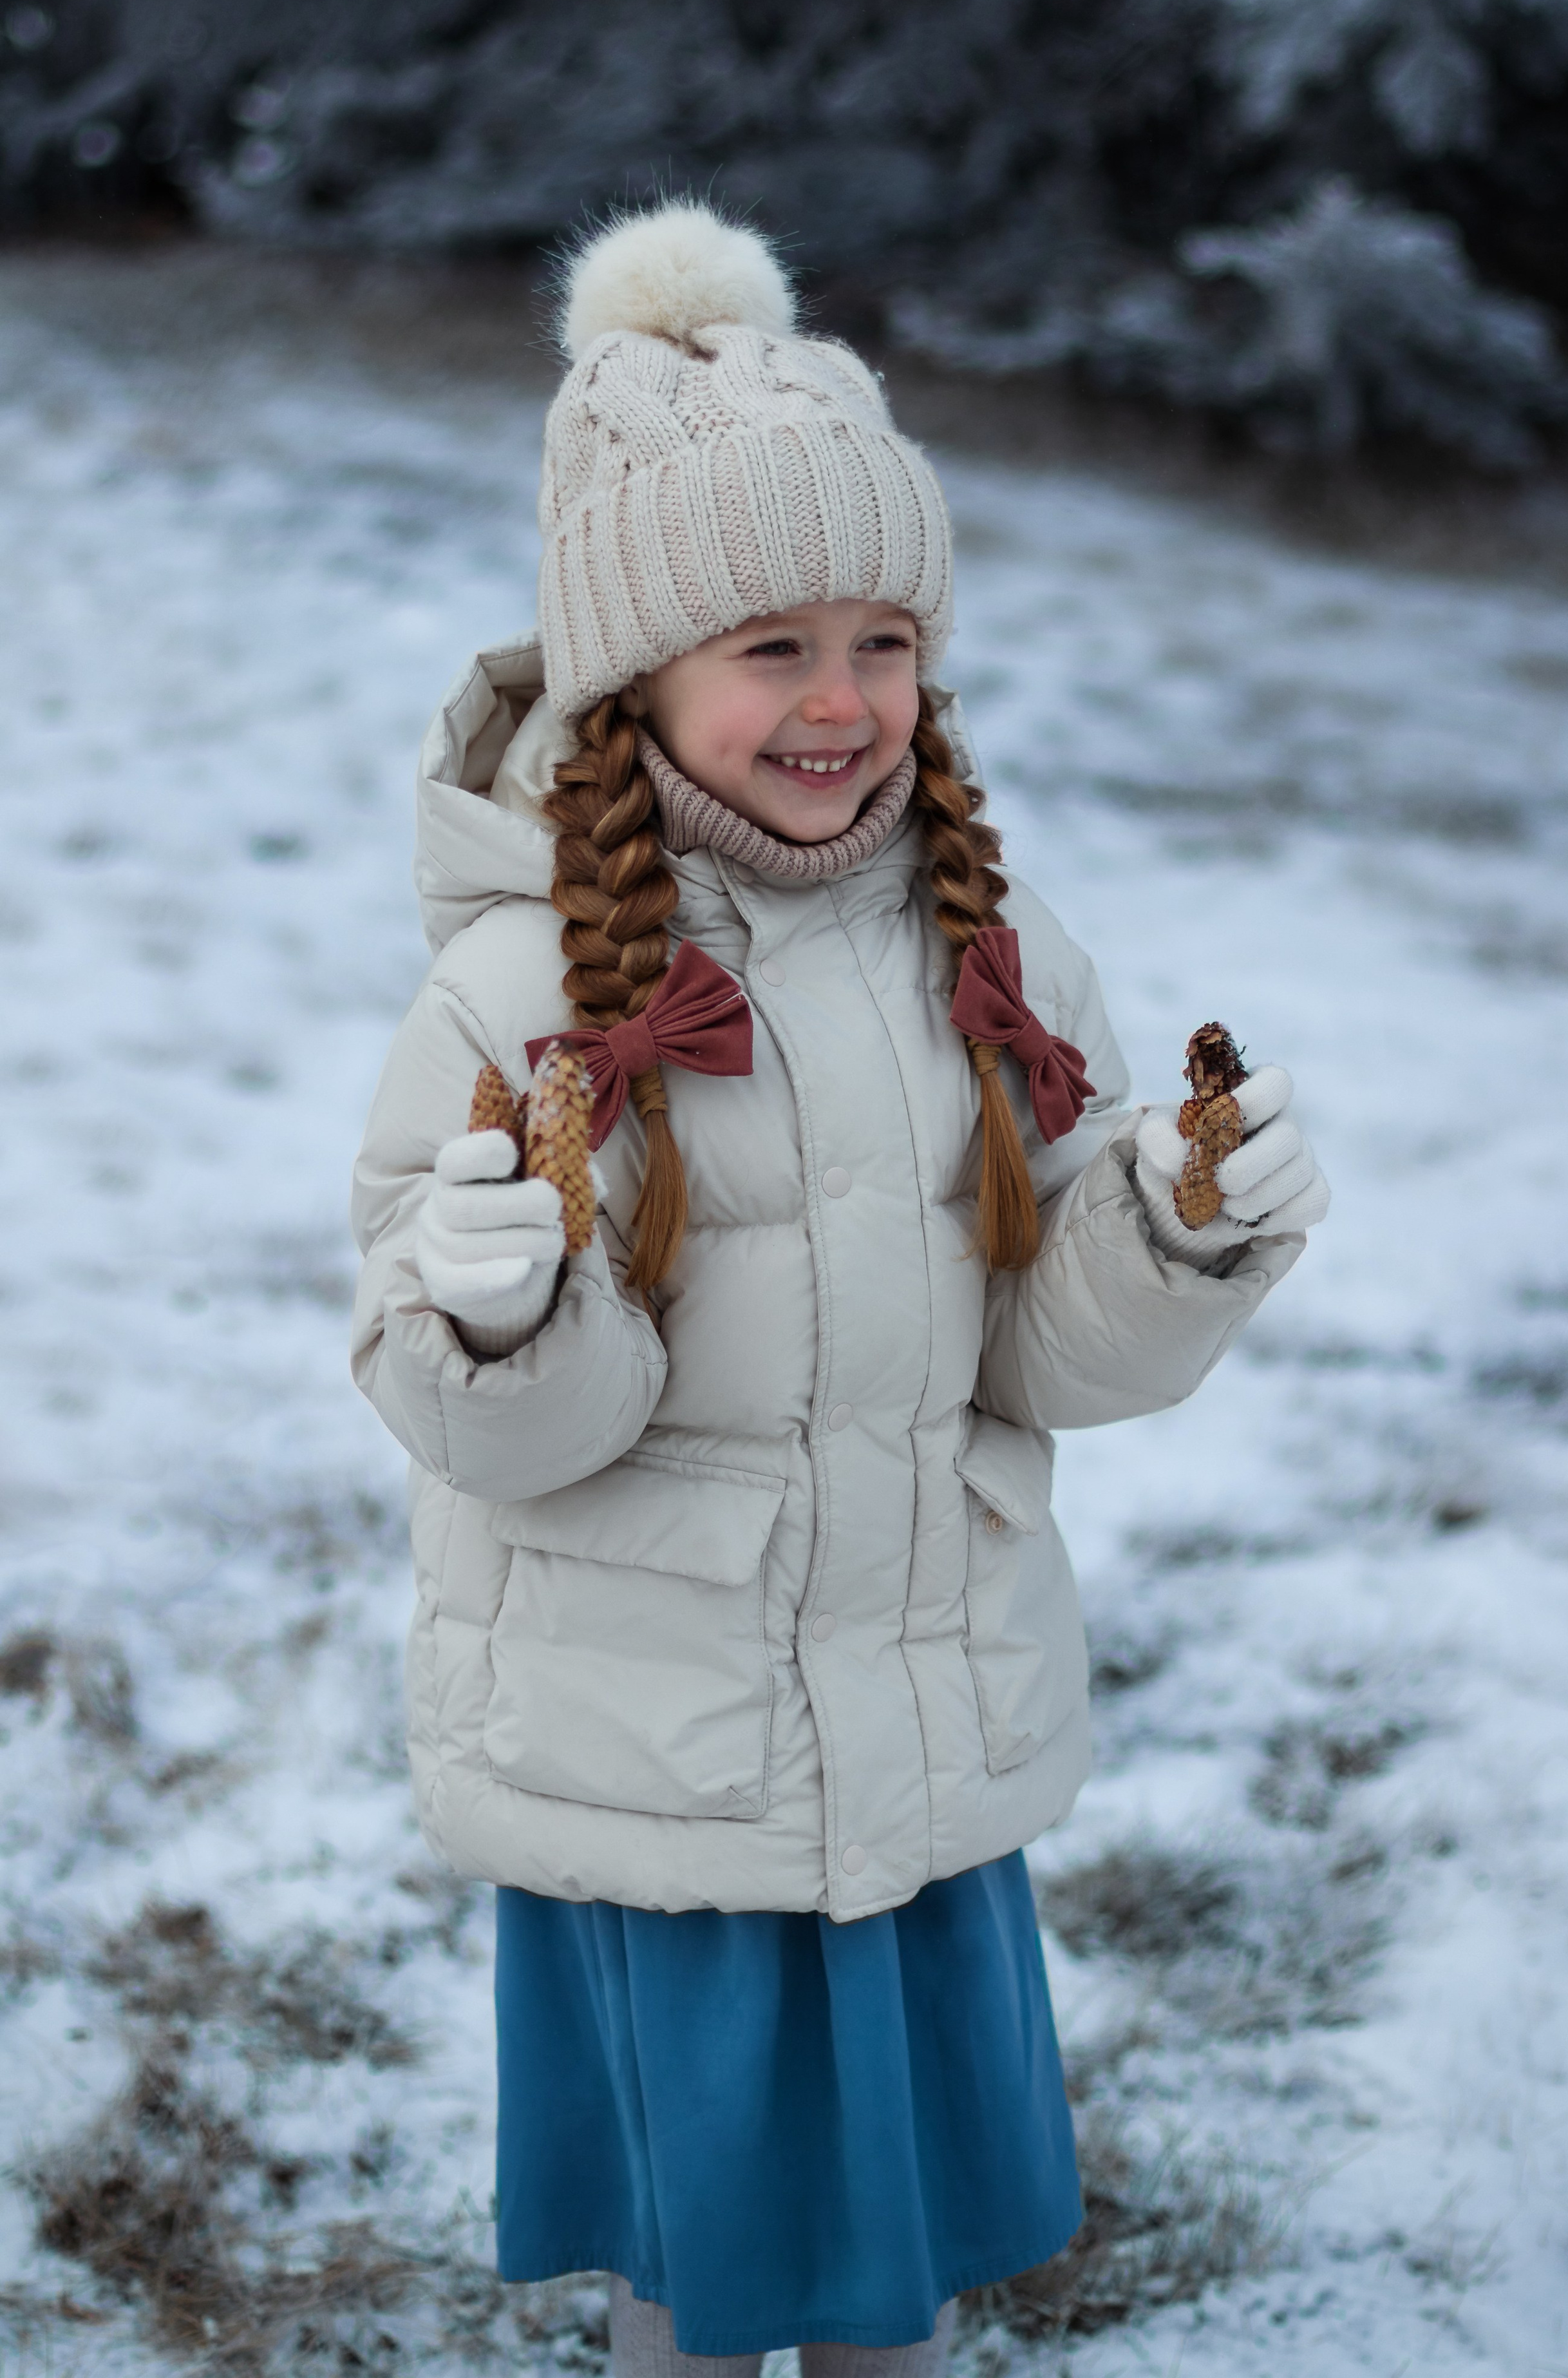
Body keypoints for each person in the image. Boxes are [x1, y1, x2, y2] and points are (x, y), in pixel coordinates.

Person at [350, 201, 1328, 2378]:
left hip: (916, 1721)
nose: (839, 699)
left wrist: (1174, 1232)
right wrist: (495, 1319)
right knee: (701, 2271)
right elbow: (515, 1440)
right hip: (668, 1757)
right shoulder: (526, 991)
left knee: (897, 2270)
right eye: (770, 643)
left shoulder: (992, 950)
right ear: (636, 672)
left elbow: (1039, 1347)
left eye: (885, 640)